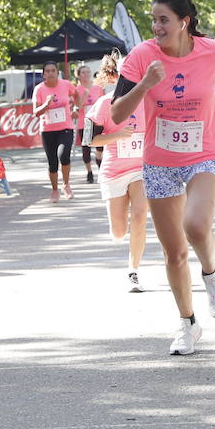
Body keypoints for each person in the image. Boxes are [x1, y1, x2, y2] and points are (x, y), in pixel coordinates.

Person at [112, 0, 215, 356]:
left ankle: (211, 274)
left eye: (164, 20)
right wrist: (145, 84)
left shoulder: (210, 49)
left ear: (184, 22)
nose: (156, 27)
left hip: (204, 153)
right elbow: (114, 115)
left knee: (197, 225)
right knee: (173, 253)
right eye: (153, 20)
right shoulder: (142, 56)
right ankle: (188, 323)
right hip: (159, 161)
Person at [89, 61, 148, 293]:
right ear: (118, 77)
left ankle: (133, 270)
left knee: (140, 215)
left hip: (141, 169)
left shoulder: (148, 101)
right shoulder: (104, 104)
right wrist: (117, 136)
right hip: (114, 171)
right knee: (119, 231)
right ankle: (120, 234)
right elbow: (90, 140)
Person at [33, 60, 79, 200]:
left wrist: (76, 108)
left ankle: (66, 184)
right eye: (47, 71)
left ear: (58, 73)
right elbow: (36, 112)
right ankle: (54, 190)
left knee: (63, 155)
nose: (51, 73)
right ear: (43, 74)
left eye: (53, 70)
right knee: (52, 162)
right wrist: (46, 104)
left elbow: (76, 95)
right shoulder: (39, 89)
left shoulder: (66, 85)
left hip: (65, 127)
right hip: (47, 130)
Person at [74, 64, 103, 184]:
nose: (86, 75)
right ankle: (89, 172)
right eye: (83, 73)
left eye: (88, 72)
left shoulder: (97, 88)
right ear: (78, 75)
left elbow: (103, 104)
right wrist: (84, 96)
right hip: (84, 123)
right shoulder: (76, 90)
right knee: (86, 149)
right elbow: (78, 107)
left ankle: (99, 163)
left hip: (98, 121)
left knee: (100, 147)